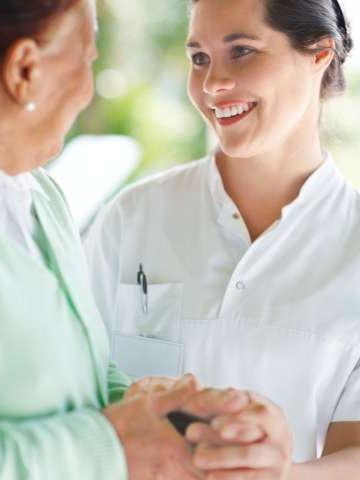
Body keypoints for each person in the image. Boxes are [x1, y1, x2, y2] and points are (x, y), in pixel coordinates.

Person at [0, 1, 295, 479]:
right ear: (25, 70)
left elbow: (83, 373)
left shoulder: (40, 197)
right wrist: (112, 447)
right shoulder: (129, 214)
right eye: (87, 61)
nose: (87, 91)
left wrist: (178, 415)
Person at [84, 0, 360, 476]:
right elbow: (74, 393)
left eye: (243, 51)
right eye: (199, 58)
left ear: (318, 54)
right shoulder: (133, 217)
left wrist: (275, 474)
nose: (213, 85)